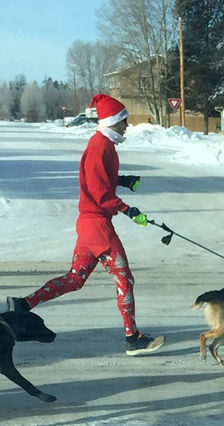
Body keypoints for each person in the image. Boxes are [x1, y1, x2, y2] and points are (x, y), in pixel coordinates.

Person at [1, 94, 164, 356]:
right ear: (112, 121)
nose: (127, 126)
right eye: (123, 121)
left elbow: (98, 180)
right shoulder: (101, 147)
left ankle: (23, 304)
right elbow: (100, 193)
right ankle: (132, 338)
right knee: (124, 278)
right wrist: (129, 210)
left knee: (75, 279)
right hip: (97, 224)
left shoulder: (103, 145)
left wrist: (122, 181)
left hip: (88, 224)